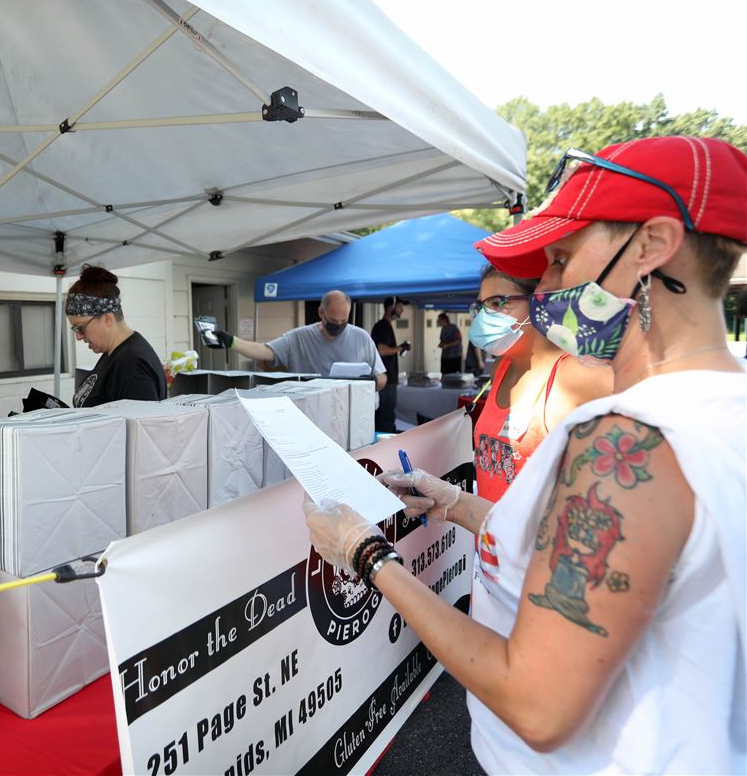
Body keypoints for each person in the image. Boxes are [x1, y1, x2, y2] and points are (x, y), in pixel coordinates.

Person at [304, 136, 746, 774]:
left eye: (562, 258)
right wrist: (457, 503)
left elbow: (536, 703)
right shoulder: (714, 408)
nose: (548, 287)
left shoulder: (626, 440)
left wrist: (365, 554)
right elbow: (588, 553)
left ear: (651, 247)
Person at [469, 265, 613, 502]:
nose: (485, 315)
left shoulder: (578, 376)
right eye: (481, 305)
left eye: (497, 302)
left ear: (538, 302)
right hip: (488, 535)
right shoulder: (500, 369)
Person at [211, 290, 387, 385]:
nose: (339, 325)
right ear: (321, 313)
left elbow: (382, 377)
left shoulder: (362, 338)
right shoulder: (299, 337)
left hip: (353, 415)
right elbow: (264, 352)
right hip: (310, 415)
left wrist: (371, 381)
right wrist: (232, 341)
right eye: (334, 320)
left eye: (344, 320)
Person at [68, 264, 166, 406]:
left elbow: (141, 426)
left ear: (107, 318)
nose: (79, 337)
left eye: (81, 328)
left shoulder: (133, 367)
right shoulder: (114, 353)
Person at [370, 296, 410, 433]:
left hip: (387, 380)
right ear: (390, 307)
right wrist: (400, 347)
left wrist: (399, 348)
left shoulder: (384, 325)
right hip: (385, 382)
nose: (402, 310)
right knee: (385, 419)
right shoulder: (383, 326)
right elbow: (381, 350)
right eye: (399, 307)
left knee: (386, 417)